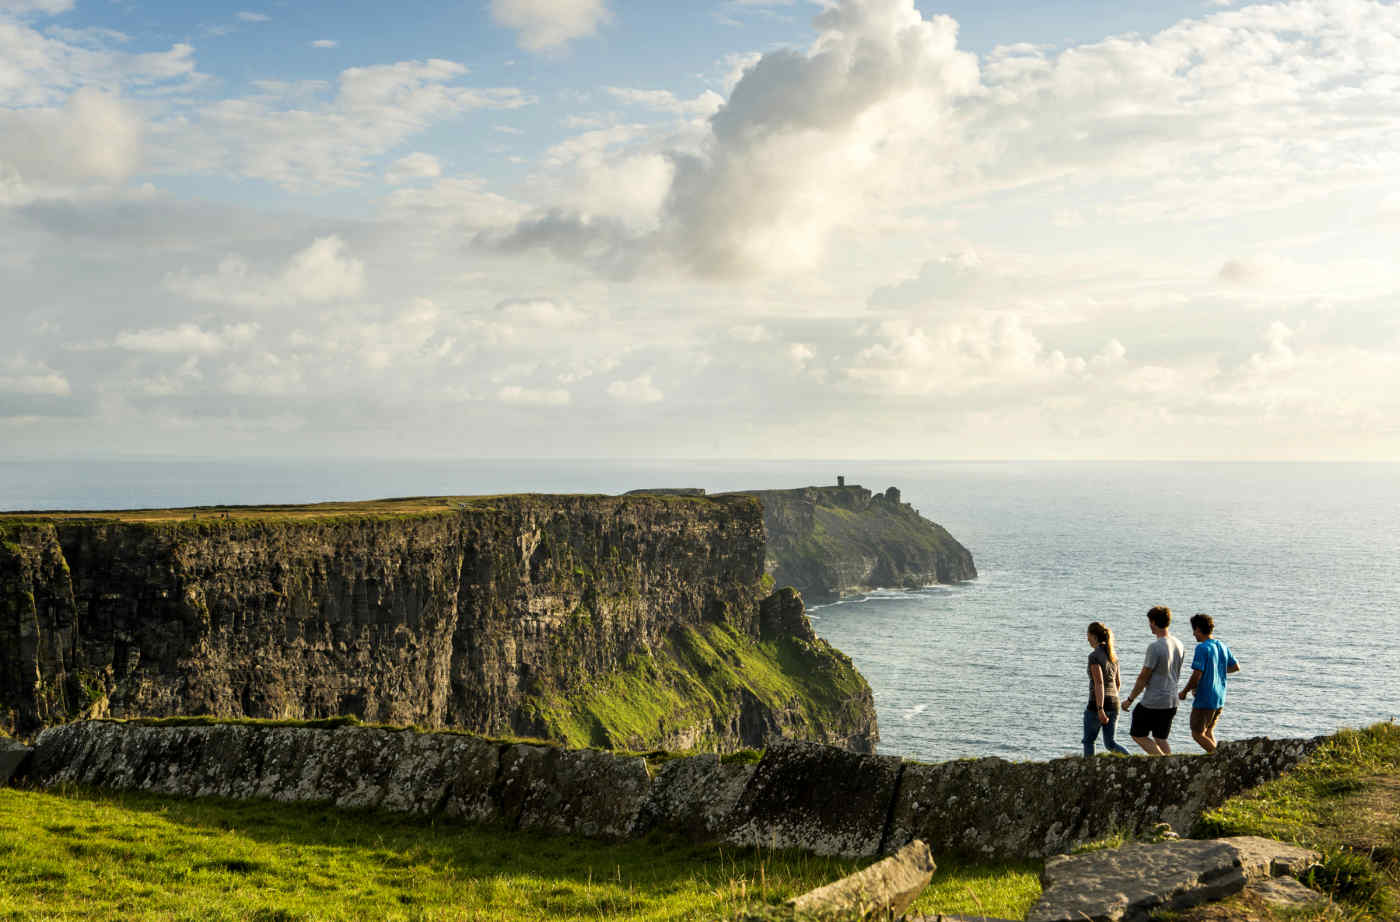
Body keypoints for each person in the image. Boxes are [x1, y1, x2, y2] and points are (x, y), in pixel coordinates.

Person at [1122, 605, 1185, 755]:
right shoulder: (1179, 644)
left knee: (1138, 734)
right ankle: (1170, 765)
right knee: (1160, 737)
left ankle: (1160, 760)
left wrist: (1130, 699)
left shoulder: (1155, 647)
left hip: (1154, 700)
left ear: (1154, 622)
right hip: (1171, 700)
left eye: (1150, 622)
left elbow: (1143, 677)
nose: (1149, 625)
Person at [1178, 613, 1240, 753]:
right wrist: (1217, 671)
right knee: (1208, 732)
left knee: (1197, 733)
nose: (1193, 634)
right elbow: (1235, 667)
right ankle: (1219, 758)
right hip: (1220, 697)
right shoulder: (1221, 645)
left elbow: (1196, 675)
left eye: (1194, 630)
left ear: (1198, 629)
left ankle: (1221, 760)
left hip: (1205, 698)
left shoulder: (1202, 648)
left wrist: (1184, 691)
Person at [1083, 621, 1129, 756]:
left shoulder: (1094, 656)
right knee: (1110, 743)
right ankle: (1130, 760)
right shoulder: (1113, 656)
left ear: (1094, 636)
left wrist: (1100, 708)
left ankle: (1089, 772)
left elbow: (1099, 683)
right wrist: (1110, 701)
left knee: (1089, 741)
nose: (1087, 638)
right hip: (1114, 702)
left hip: (1098, 704)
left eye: (1088, 635)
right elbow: (1118, 683)